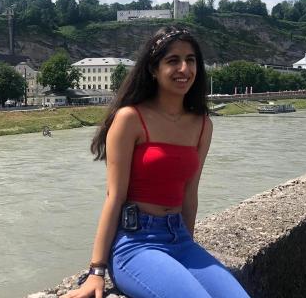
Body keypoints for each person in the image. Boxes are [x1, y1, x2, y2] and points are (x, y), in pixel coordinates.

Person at [63, 27, 250, 298]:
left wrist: (186, 248)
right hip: (137, 244)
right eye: (173, 60)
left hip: (181, 239)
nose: (184, 68)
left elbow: (190, 195)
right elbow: (114, 197)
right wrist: (96, 271)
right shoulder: (130, 118)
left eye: (191, 60)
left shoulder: (202, 125)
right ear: (153, 68)